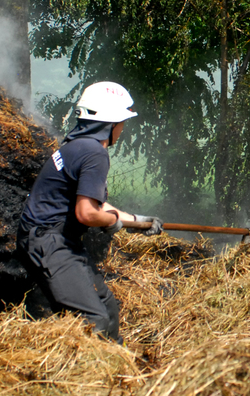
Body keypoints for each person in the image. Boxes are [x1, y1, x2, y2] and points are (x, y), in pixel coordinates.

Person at [16, 82, 163, 342]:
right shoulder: (95, 153)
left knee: (107, 307)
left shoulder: (77, 146)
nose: (123, 129)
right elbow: (87, 213)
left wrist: (137, 221)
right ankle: (84, 378)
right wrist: (114, 222)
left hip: (57, 240)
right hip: (49, 242)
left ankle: (114, 372)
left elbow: (96, 205)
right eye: (122, 123)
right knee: (93, 320)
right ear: (111, 123)